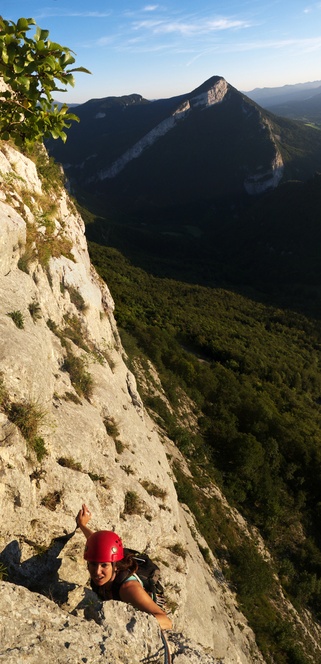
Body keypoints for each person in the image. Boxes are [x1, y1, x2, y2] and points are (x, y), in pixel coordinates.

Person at [76, 503, 172, 631]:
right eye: (93, 564)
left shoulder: (129, 589)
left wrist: (131, 625)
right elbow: (98, 544)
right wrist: (82, 525)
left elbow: (166, 621)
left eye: (104, 565)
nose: (97, 572)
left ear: (115, 566)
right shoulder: (107, 562)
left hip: (145, 608)